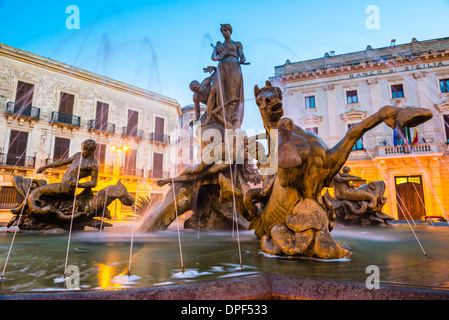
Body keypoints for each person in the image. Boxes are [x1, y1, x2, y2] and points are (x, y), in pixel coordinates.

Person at [29, 139, 99, 215]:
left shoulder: (94, 164)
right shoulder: (78, 155)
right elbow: (61, 162)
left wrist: (78, 184)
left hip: (68, 187)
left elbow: (93, 183)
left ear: (91, 151)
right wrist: (45, 167)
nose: (83, 152)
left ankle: (38, 211)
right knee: (41, 193)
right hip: (62, 184)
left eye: (85, 150)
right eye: (82, 149)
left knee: (37, 191)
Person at [211, 23, 246, 128]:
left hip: (234, 67)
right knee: (220, 91)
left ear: (230, 31)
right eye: (222, 31)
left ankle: (233, 117)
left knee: (233, 91)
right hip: (222, 68)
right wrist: (221, 57)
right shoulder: (218, 47)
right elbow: (213, 57)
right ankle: (224, 117)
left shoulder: (237, 44)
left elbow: (242, 56)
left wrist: (243, 59)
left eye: (225, 30)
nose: (224, 32)